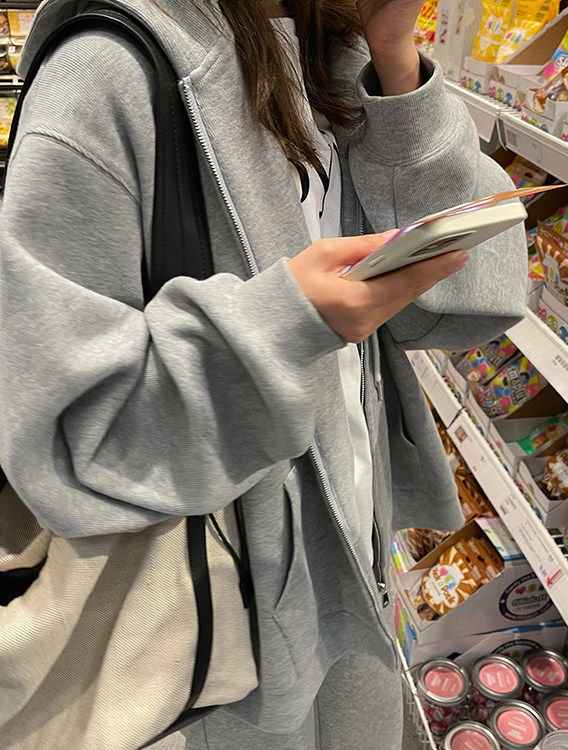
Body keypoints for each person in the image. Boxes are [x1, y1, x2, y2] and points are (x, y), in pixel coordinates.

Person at [0, 0, 526, 748]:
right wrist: (284, 323)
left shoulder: (329, 49)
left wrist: (395, 55)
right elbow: (63, 433)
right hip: (211, 620)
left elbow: (470, 297)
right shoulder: (104, 73)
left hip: (348, 557)